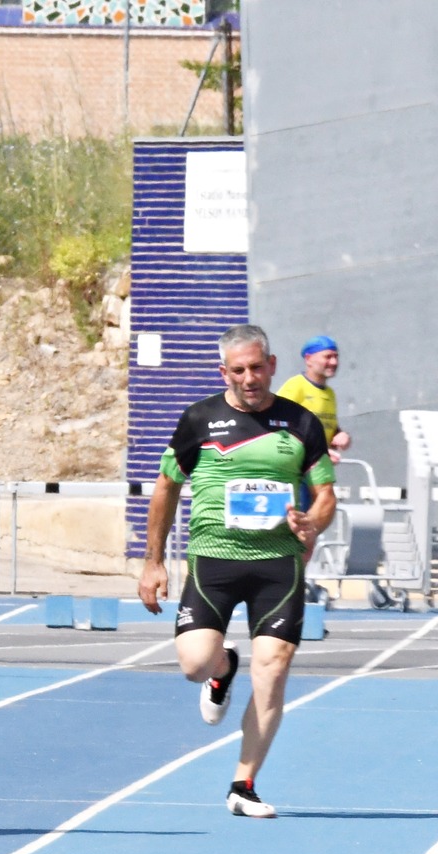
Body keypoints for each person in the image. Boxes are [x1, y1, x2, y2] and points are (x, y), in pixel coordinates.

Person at [139, 324, 337, 818]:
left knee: (273, 669)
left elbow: (326, 495)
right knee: (193, 665)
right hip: (214, 561)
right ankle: (223, 667)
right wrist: (153, 560)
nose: (250, 378)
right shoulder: (199, 419)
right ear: (223, 371)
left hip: (278, 565)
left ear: (272, 365)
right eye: (239, 370)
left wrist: (311, 522)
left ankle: (243, 784)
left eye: (257, 367)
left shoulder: (301, 423)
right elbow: (166, 487)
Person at [276, 334, 352, 460]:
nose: (334, 362)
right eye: (327, 357)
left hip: (319, 467)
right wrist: (317, 452)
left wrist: (341, 435)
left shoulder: (330, 393)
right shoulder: (295, 386)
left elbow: (325, 427)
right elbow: (278, 427)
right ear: (308, 359)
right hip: (296, 469)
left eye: (336, 356)